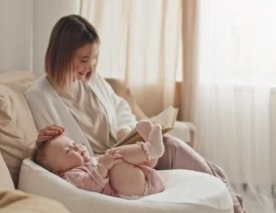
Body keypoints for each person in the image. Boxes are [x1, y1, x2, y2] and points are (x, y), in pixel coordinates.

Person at [24, 14, 246, 212]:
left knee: (179, 150)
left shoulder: (92, 81)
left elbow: (120, 108)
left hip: (124, 148)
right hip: (105, 165)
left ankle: (233, 203)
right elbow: (50, 152)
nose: (90, 67)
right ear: (62, 55)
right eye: (84, 60)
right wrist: (41, 139)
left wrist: (123, 130)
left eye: (94, 59)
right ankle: (234, 204)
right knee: (170, 145)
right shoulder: (40, 96)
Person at [32, 121, 165, 198]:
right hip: (131, 190)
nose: (77, 148)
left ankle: (150, 153)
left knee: (115, 157)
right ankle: (151, 148)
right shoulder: (71, 175)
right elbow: (90, 185)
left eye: (74, 144)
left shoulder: (90, 160)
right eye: (68, 151)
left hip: (142, 179)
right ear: (57, 171)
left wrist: (104, 161)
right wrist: (103, 165)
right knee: (114, 155)